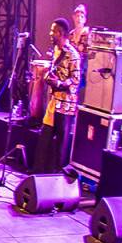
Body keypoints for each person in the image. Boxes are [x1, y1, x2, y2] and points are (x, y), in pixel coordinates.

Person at [38, 17, 80, 173]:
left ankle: (56, 175)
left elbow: (75, 80)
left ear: (60, 33)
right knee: (45, 136)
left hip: (65, 104)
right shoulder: (56, 51)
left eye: (53, 31)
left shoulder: (73, 55)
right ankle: (38, 171)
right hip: (53, 102)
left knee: (60, 143)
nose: (50, 33)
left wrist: (60, 84)